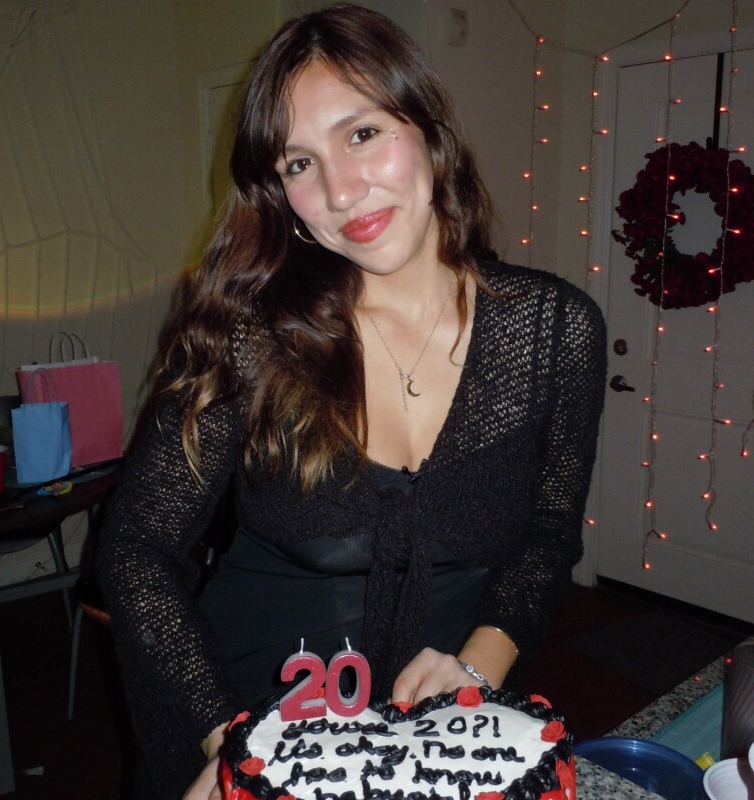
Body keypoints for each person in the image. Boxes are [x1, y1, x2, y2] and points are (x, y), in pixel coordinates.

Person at [96, 4, 607, 799]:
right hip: (248, 715)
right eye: (299, 163)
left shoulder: (553, 331)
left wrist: (477, 667)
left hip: (434, 742)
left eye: (362, 133)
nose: (339, 189)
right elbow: (136, 548)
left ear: (429, 130)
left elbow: (547, 533)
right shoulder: (249, 338)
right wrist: (237, 750)